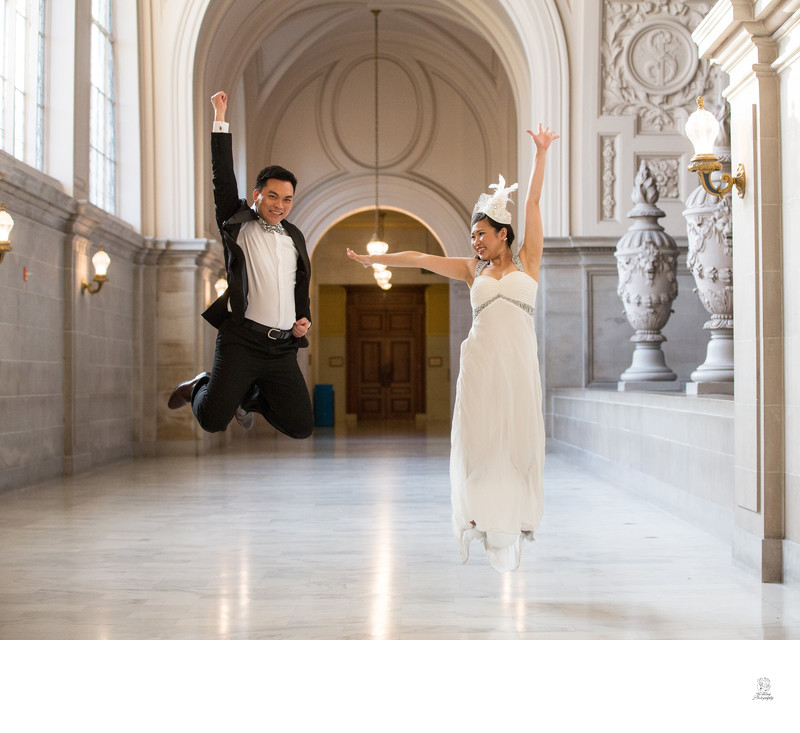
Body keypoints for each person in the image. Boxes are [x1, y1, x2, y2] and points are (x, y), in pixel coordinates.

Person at [347, 124, 559, 572]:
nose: (476, 241)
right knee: (481, 441)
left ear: (504, 233)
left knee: (516, 439)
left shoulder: (530, 260)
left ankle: (516, 516)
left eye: (482, 233)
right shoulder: (470, 269)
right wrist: (374, 260)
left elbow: (534, 202)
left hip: (518, 363)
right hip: (480, 363)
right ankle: (480, 513)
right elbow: (421, 259)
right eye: (472, 235)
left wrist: (540, 154)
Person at [167, 90, 313, 440]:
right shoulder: (237, 222)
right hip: (241, 341)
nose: (280, 205)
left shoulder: (294, 236)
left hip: (280, 347)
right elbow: (222, 179)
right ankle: (198, 385)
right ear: (257, 194)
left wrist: (302, 320)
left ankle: (247, 397)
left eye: (287, 199)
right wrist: (220, 118)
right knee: (213, 419)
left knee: (300, 426)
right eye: (273, 196)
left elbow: (298, 284)